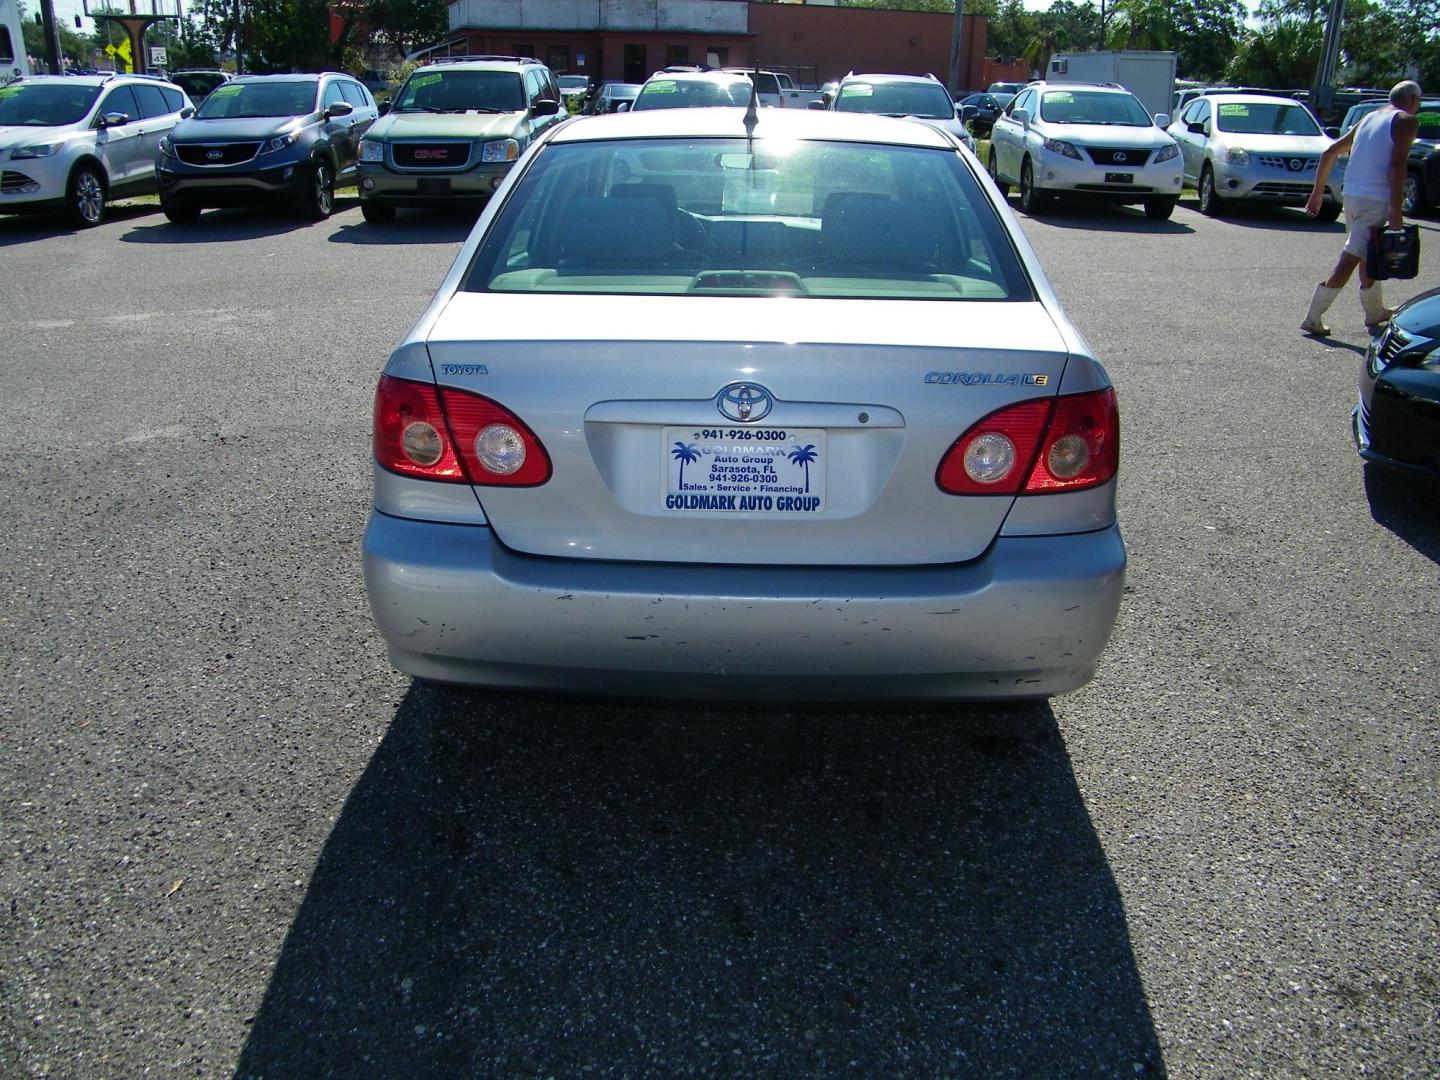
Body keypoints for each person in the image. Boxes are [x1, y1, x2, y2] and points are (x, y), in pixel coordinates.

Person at [1301, 80, 1422, 336]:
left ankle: (1374, 311)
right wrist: (1396, 210)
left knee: (1369, 253)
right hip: (1375, 199)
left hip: (1353, 195)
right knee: (1352, 257)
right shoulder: (1406, 121)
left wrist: (1317, 193)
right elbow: (1398, 165)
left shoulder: (1369, 118)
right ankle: (1313, 316)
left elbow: (1331, 152)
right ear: (1413, 100)